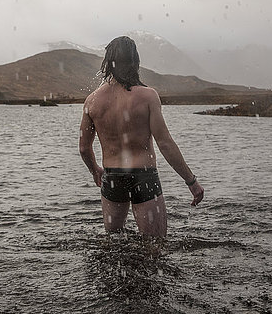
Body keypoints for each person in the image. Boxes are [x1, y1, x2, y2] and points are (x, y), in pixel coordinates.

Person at [79, 36, 204, 237]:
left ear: (108, 62)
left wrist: (95, 171)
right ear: (135, 61)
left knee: (114, 243)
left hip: (112, 178)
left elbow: (84, 148)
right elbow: (165, 143)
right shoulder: (147, 96)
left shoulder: (92, 101)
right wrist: (191, 181)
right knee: (155, 247)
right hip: (143, 176)